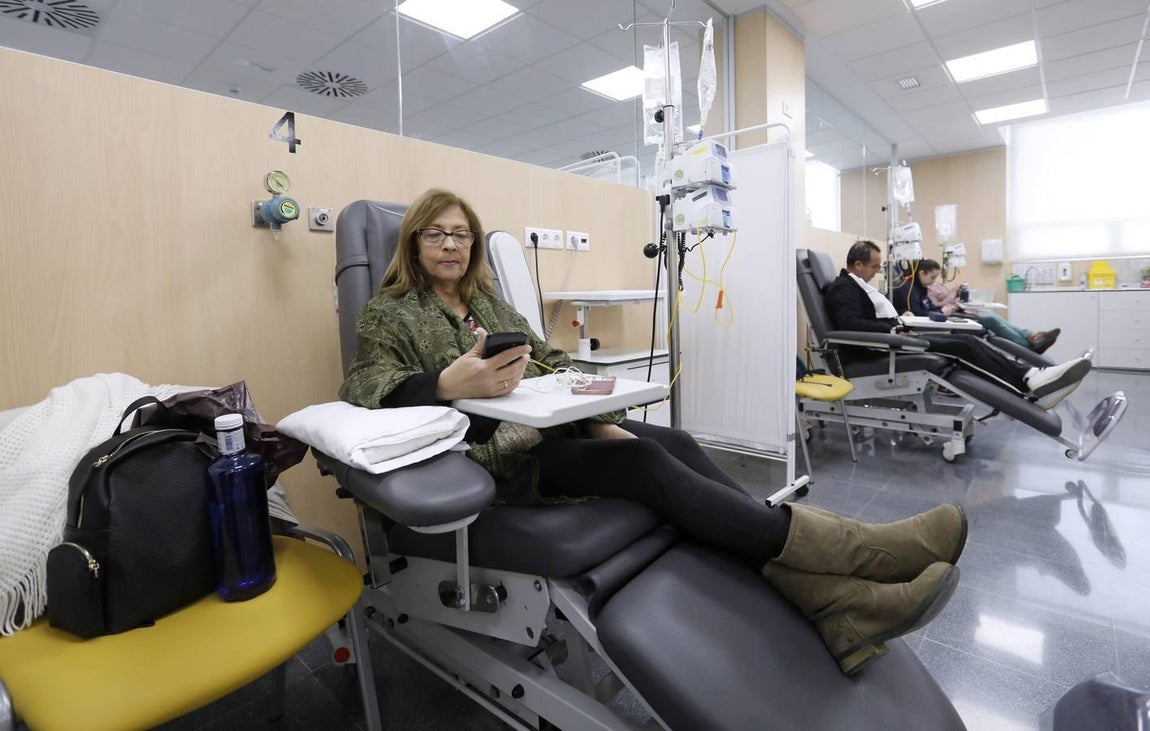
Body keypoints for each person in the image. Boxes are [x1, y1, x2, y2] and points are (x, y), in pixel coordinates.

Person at [340, 189, 967, 676]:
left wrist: (598, 405)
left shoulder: (490, 305)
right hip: (495, 462)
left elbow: (548, 362)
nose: (450, 245)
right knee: (646, 468)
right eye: (436, 233)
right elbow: (365, 387)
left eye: (462, 234)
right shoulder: (391, 311)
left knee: (680, 445)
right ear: (414, 242)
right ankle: (860, 556)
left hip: (556, 433)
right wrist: (448, 384)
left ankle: (834, 606)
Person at [825, 241, 1091, 410]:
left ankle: (1030, 376)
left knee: (968, 342)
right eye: (873, 267)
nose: (877, 272)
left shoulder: (857, 286)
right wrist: (893, 330)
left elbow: (865, 319)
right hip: (879, 349)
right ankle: (1028, 384)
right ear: (857, 264)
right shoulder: (843, 288)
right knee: (961, 346)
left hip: (892, 339)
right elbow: (849, 324)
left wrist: (898, 323)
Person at [892, 260, 1059, 353]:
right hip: (938, 324)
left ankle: (1031, 336)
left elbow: (928, 308)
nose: (935, 281)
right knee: (990, 320)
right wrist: (944, 309)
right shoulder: (909, 291)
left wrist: (946, 309)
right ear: (921, 273)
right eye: (933, 277)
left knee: (989, 315)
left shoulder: (920, 289)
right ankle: (1027, 346)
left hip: (944, 317)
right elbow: (917, 315)